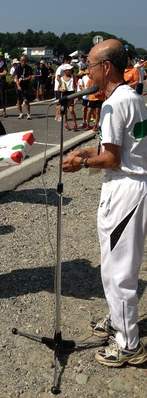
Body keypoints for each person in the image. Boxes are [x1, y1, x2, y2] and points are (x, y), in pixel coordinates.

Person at [63, 39, 147, 367]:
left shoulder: (113, 105)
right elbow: (116, 149)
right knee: (112, 261)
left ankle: (129, 344)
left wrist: (81, 163)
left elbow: (111, 159)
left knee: (118, 270)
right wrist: (87, 152)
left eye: (90, 67)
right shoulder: (132, 97)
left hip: (125, 189)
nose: (86, 73)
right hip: (130, 185)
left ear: (106, 67)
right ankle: (117, 320)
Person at [59, 64, 78, 131]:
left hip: (71, 94)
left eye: (70, 69)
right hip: (64, 94)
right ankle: (66, 123)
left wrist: (76, 96)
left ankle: (75, 123)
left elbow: (75, 87)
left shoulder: (73, 77)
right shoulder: (61, 78)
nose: (70, 71)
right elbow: (59, 87)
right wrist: (61, 89)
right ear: (65, 71)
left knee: (71, 110)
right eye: (68, 70)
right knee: (64, 111)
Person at [14, 55, 32, 120]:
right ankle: (21, 113)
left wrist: (25, 79)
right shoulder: (17, 68)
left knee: (26, 100)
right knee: (18, 100)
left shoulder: (28, 68)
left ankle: (28, 114)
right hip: (18, 84)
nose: (23, 62)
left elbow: (30, 76)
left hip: (25, 85)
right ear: (20, 61)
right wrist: (18, 86)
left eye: (25, 60)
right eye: (22, 60)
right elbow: (16, 77)